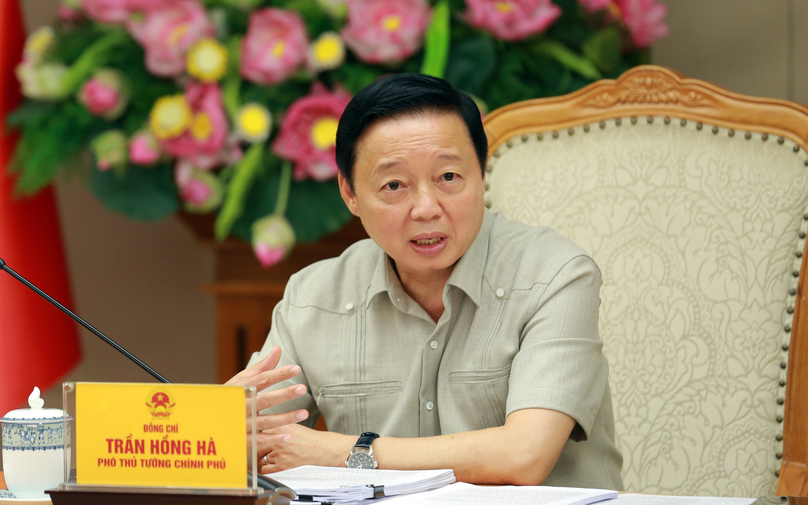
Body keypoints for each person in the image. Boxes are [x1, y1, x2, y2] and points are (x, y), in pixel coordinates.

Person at [226, 73, 623, 488]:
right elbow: (251, 440)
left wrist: (339, 452)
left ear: (482, 174)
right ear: (350, 194)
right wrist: (223, 424)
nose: (426, 208)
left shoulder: (556, 276)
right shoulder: (313, 298)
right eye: (394, 185)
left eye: (448, 177)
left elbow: (523, 456)